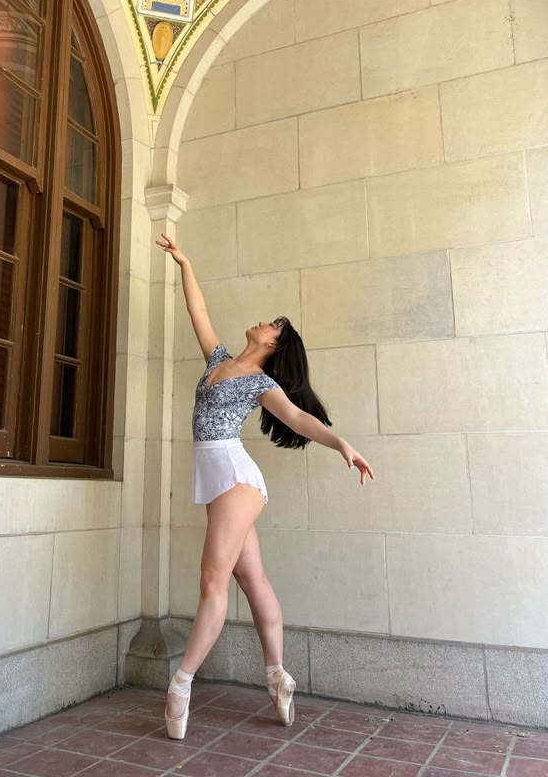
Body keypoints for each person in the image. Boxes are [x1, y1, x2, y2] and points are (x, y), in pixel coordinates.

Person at [156, 232, 375, 740]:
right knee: (252, 582)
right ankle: (278, 676)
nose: (264, 321)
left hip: (234, 477)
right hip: (218, 479)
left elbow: (299, 418)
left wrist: (341, 444)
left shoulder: (262, 384)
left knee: (213, 582)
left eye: (273, 324)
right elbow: (198, 310)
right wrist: (185, 261)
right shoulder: (219, 360)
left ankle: (181, 683)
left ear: (273, 344)